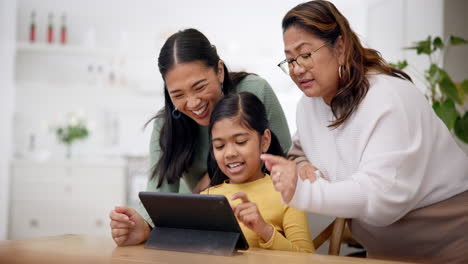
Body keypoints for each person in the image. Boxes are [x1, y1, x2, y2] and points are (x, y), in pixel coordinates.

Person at [261, 1, 468, 263]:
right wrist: (302, 167)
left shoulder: (387, 97)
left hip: (448, 246)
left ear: (340, 46)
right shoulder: (309, 107)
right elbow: (301, 150)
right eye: (290, 59)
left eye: (306, 54)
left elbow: (378, 198)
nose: (297, 68)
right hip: (382, 252)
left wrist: (302, 191)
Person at [109, 28, 292, 246]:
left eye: (200, 87)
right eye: (178, 94)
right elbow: (158, 196)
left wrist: (210, 180)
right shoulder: (166, 126)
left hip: (261, 221)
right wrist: (142, 227)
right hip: (199, 228)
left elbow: (284, 161)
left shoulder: (253, 91)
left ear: (220, 71)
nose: (194, 103)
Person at [202, 92, 314, 253]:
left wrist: (264, 230)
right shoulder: (206, 197)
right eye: (219, 146)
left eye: (240, 142)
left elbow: (307, 259)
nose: (229, 153)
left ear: (265, 141)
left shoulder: (287, 192)